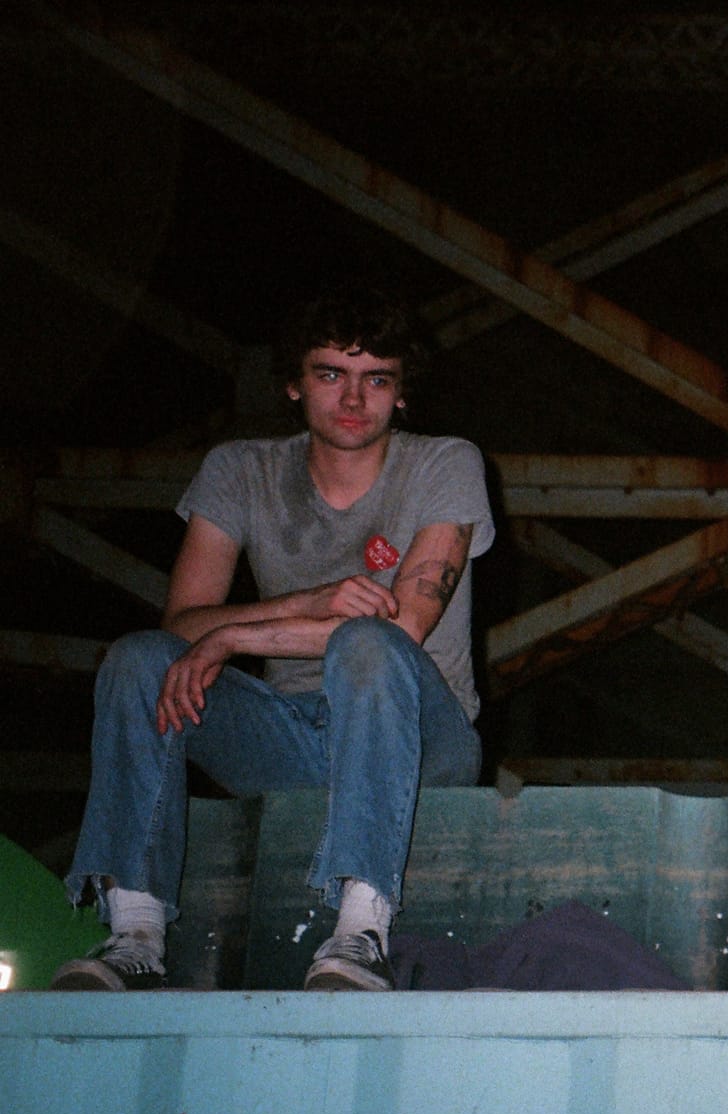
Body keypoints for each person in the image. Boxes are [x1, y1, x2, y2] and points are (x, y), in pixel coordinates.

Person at [53, 286, 493, 992]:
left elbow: (403, 626)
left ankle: (360, 932)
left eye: (376, 379)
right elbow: (182, 625)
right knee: (139, 658)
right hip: (293, 740)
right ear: (293, 384)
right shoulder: (240, 470)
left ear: (402, 396)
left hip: (419, 739)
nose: (353, 400)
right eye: (330, 375)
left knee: (368, 646)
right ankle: (134, 934)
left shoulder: (445, 462)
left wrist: (232, 639)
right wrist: (306, 602)